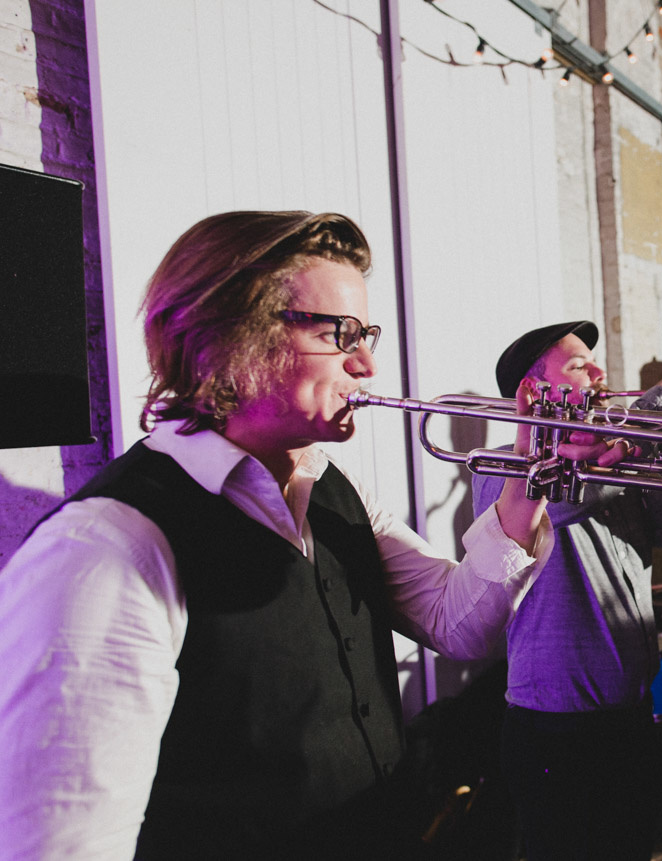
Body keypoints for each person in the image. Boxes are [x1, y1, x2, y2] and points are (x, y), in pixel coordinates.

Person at [0, 211, 625, 860]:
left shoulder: (333, 492)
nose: (368, 364)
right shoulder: (107, 547)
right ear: (234, 334)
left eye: (367, 334)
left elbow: (458, 622)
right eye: (342, 334)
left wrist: (533, 471)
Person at [472, 320, 662, 861]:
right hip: (551, 724)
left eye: (595, 362)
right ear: (533, 392)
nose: (599, 371)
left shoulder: (626, 456)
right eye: (577, 365)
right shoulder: (503, 469)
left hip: (630, 715)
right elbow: (560, 506)